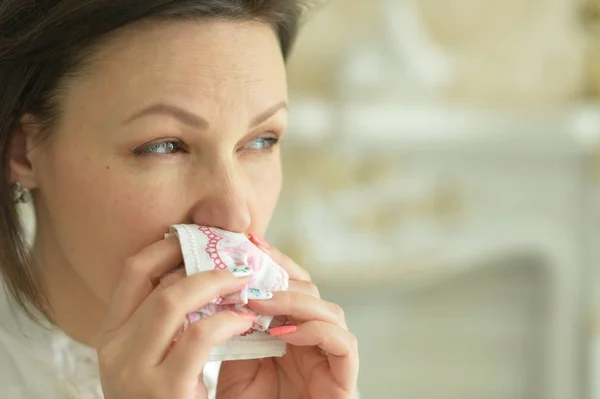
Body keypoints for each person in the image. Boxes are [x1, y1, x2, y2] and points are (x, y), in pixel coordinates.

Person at [0, 1, 359, 397]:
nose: (235, 215)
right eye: (165, 146)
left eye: (261, 141)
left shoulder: (286, 374)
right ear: (22, 150)